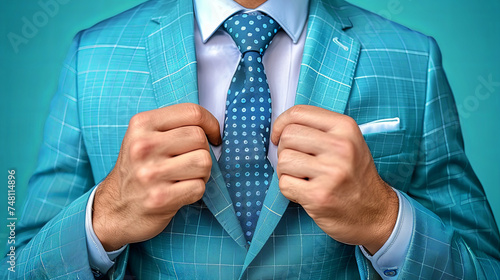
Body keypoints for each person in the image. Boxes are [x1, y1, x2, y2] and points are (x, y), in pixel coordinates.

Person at [3, 0, 500, 278]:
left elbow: (484, 268)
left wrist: (384, 219)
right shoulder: (91, 56)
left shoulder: (413, 59)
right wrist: (105, 216)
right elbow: (15, 263)